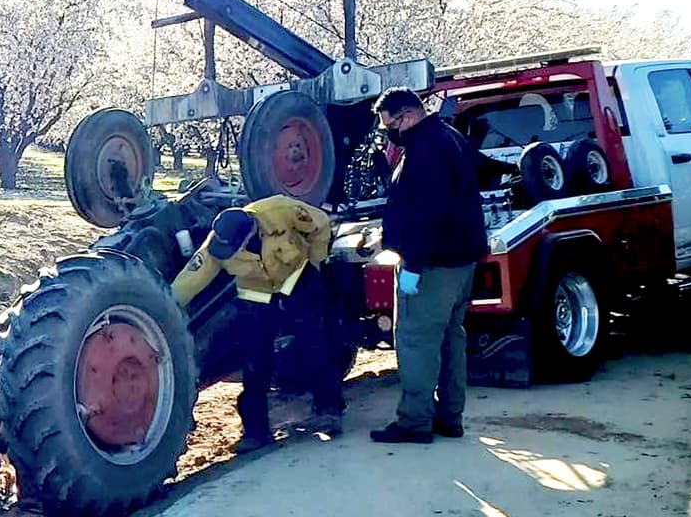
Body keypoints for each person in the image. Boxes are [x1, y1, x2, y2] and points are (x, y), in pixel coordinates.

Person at [171, 194, 346, 453]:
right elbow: (192, 278)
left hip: (296, 279)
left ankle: (329, 409)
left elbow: (319, 223)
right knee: (255, 363)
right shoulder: (219, 243)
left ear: (249, 236)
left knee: (313, 345)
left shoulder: (280, 210)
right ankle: (256, 432)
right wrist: (168, 306)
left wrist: (317, 262)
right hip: (256, 296)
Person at [370, 87, 489, 444]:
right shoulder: (448, 136)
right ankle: (450, 416)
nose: (389, 132)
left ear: (406, 116)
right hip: (460, 259)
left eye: (389, 124)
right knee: (451, 338)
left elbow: (427, 213)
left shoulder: (425, 150)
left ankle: (414, 422)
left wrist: (413, 265)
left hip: (434, 264)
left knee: (416, 340)